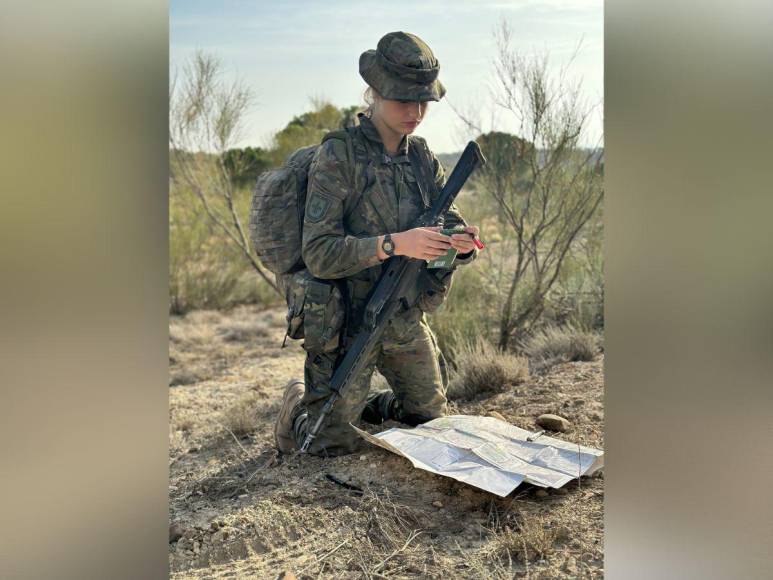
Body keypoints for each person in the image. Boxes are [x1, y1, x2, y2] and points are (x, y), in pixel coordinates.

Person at [274, 31, 480, 457]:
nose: (415, 111)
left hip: (402, 315)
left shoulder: (421, 157)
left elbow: (449, 223)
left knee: (430, 424)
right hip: (347, 319)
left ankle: (374, 405)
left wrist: (459, 245)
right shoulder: (339, 156)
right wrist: (395, 243)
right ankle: (296, 410)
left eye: (423, 101)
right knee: (330, 446)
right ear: (375, 95)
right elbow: (320, 252)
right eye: (404, 99)